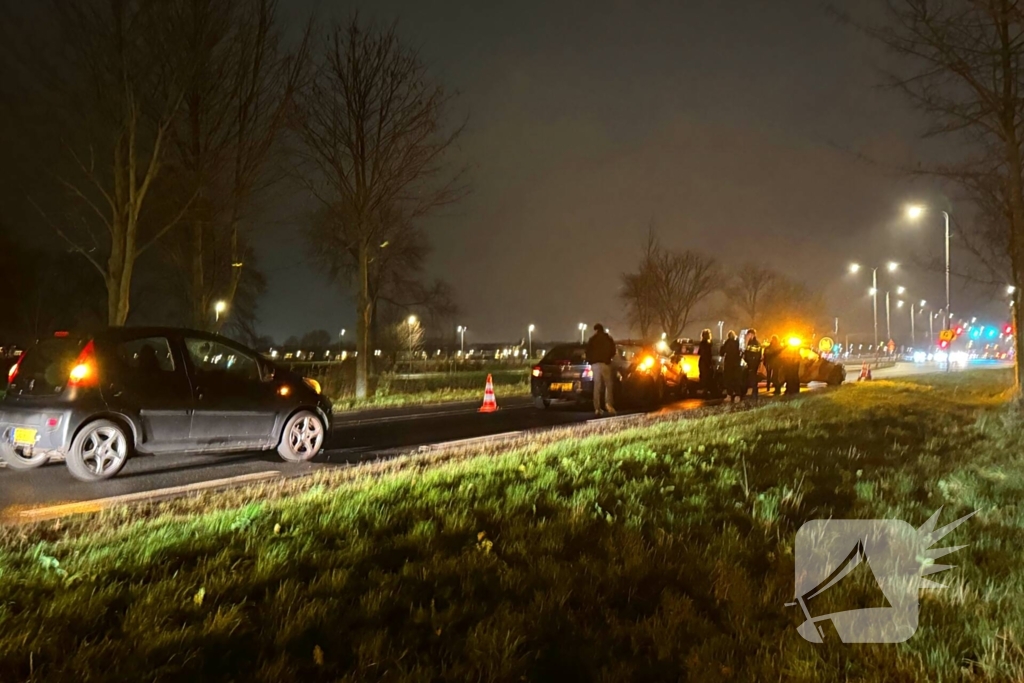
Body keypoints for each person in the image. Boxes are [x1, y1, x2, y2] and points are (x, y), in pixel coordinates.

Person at [585, 323, 616, 415]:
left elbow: (587, 351)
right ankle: (609, 405)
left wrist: (591, 360)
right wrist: (608, 358)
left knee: (597, 386)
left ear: (596, 330)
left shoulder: (592, 339)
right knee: (608, 385)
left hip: (595, 365)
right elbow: (613, 350)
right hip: (605, 363)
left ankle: (597, 408)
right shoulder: (608, 338)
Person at [720, 330, 741, 403]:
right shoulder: (737, 343)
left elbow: (721, 353)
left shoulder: (726, 343)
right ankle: (737, 395)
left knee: (728, 380)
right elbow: (740, 353)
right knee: (736, 380)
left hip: (728, 364)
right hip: (736, 364)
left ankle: (729, 395)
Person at [698, 328, 716, 396]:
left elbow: (699, 352)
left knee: (703, 376)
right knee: (707, 376)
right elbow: (708, 354)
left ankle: (704, 389)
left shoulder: (702, 344)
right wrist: (710, 363)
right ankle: (706, 390)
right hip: (706, 362)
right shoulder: (708, 344)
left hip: (702, 362)